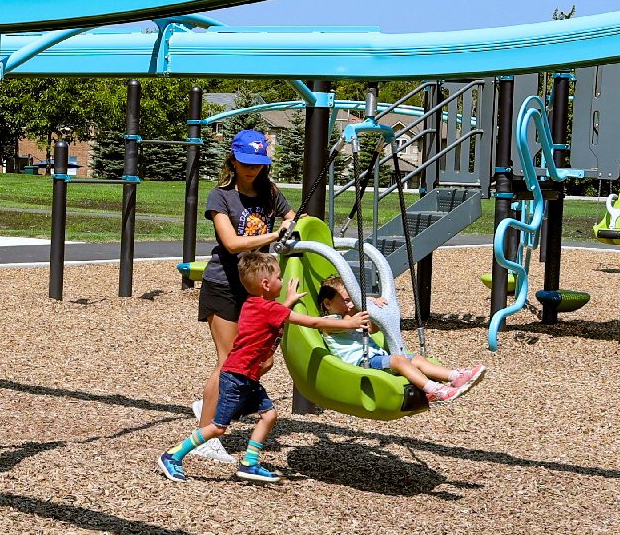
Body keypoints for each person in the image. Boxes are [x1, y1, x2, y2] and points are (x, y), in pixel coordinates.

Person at [159, 252, 368, 483]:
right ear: (266, 284)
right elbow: (314, 322)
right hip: (236, 377)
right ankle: (173, 455)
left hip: (246, 376)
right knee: (218, 428)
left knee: (269, 415)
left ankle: (249, 463)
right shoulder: (270, 309)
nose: (282, 280)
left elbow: (274, 317)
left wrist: (287, 301)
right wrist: (349, 323)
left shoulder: (253, 304)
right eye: (279, 278)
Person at [189, 129, 297, 464]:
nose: (252, 169)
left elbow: (291, 216)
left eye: (258, 163)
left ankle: (210, 402)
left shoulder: (269, 191)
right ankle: (207, 433)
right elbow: (232, 244)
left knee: (262, 360)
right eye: (246, 162)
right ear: (233, 159)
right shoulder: (219, 197)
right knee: (228, 363)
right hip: (223, 285)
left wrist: (292, 225)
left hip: (254, 289)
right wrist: (273, 234)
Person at [315, 277, 484, 404]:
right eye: (346, 300)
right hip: (360, 363)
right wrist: (357, 314)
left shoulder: (352, 316)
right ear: (328, 304)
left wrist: (372, 308)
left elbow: (373, 329)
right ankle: (434, 390)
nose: (351, 304)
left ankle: (455, 376)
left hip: (375, 357)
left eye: (353, 299)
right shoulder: (330, 323)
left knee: (415, 358)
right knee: (398, 360)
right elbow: (342, 325)